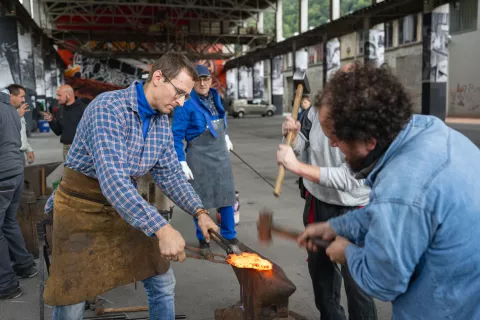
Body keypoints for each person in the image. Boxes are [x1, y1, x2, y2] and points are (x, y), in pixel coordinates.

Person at [43, 53, 219, 320]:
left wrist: (199, 211)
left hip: (123, 207)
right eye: (180, 93)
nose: (182, 103)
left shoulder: (161, 122)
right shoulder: (108, 109)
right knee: (73, 296)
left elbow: (170, 174)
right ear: (158, 77)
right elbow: (114, 180)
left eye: (186, 96)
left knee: (161, 278)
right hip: (80, 209)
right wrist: (162, 228)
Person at [297, 62, 480, 319]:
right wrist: (338, 227)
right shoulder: (425, 129)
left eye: (337, 138)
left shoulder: (401, 187)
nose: (332, 145)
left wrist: (348, 253)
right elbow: (387, 212)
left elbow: (384, 280)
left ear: (369, 140)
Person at [277, 75, 377, 319]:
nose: (332, 143)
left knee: (358, 282)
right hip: (319, 203)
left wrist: (299, 168)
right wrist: (288, 136)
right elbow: (297, 147)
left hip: (356, 207)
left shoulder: (362, 120)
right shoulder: (313, 113)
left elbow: (349, 177)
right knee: (321, 275)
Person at [172, 64, 238, 257]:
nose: (202, 82)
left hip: (220, 155)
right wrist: (180, 160)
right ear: (193, 81)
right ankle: (204, 239)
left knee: (226, 196)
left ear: (210, 80)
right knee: (200, 200)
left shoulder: (215, 97)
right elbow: (176, 135)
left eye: (206, 79)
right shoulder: (186, 102)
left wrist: (225, 136)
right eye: (199, 79)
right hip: (198, 157)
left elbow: (220, 118)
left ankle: (230, 236)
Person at [0, 88, 37, 300]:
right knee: (8, 223)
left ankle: (6, 284)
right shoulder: (11, 110)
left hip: (3, 175)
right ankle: (25, 265)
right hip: (15, 172)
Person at [41, 85, 87, 160]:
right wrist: (51, 121)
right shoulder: (60, 111)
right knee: (68, 171)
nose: (57, 98)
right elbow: (58, 131)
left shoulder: (84, 109)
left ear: (69, 95)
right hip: (66, 148)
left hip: (83, 148)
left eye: (59, 95)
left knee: (82, 171)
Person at [8, 84, 34, 165]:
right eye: (21, 97)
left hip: (20, 155)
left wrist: (28, 149)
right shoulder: (3, 112)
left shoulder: (19, 110)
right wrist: (17, 116)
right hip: (9, 156)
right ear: (11, 96)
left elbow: (21, 133)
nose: (23, 100)